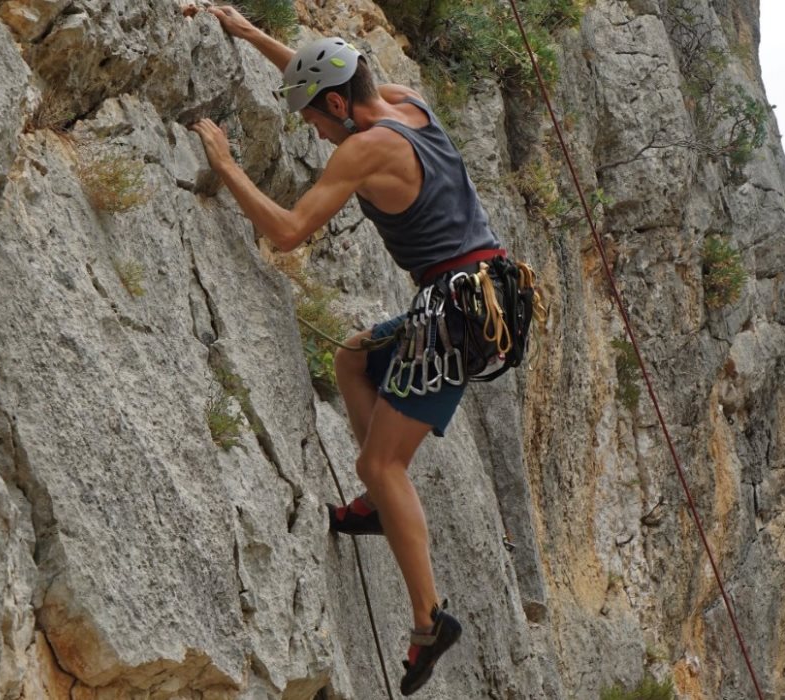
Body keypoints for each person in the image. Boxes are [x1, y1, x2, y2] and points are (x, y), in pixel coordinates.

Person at [191, 6, 536, 695]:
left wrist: (226, 165)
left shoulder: (363, 150)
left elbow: (289, 232)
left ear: (343, 108)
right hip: (484, 293)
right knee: (354, 355)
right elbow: (326, 74)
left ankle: (428, 619)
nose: (315, 132)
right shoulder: (408, 104)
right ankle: (378, 504)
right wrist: (253, 34)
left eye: (317, 120)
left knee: (382, 461)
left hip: (451, 316)